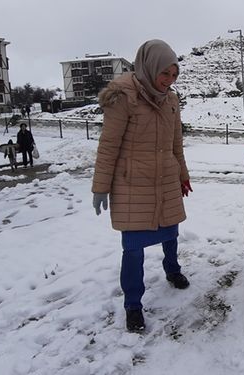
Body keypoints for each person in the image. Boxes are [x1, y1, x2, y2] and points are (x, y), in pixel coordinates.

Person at [91, 39, 192, 333]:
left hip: (166, 179)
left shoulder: (171, 100)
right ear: (150, 68)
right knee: (133, 248)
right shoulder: (123, 97)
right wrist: (101, 187)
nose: (169, 81)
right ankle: (133, 305)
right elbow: (108, 146)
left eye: (174, 76)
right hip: (132, 184)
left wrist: (182, 175)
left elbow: (176, 144)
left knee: (171, 230)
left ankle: (172, 270)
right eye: (165, 74)